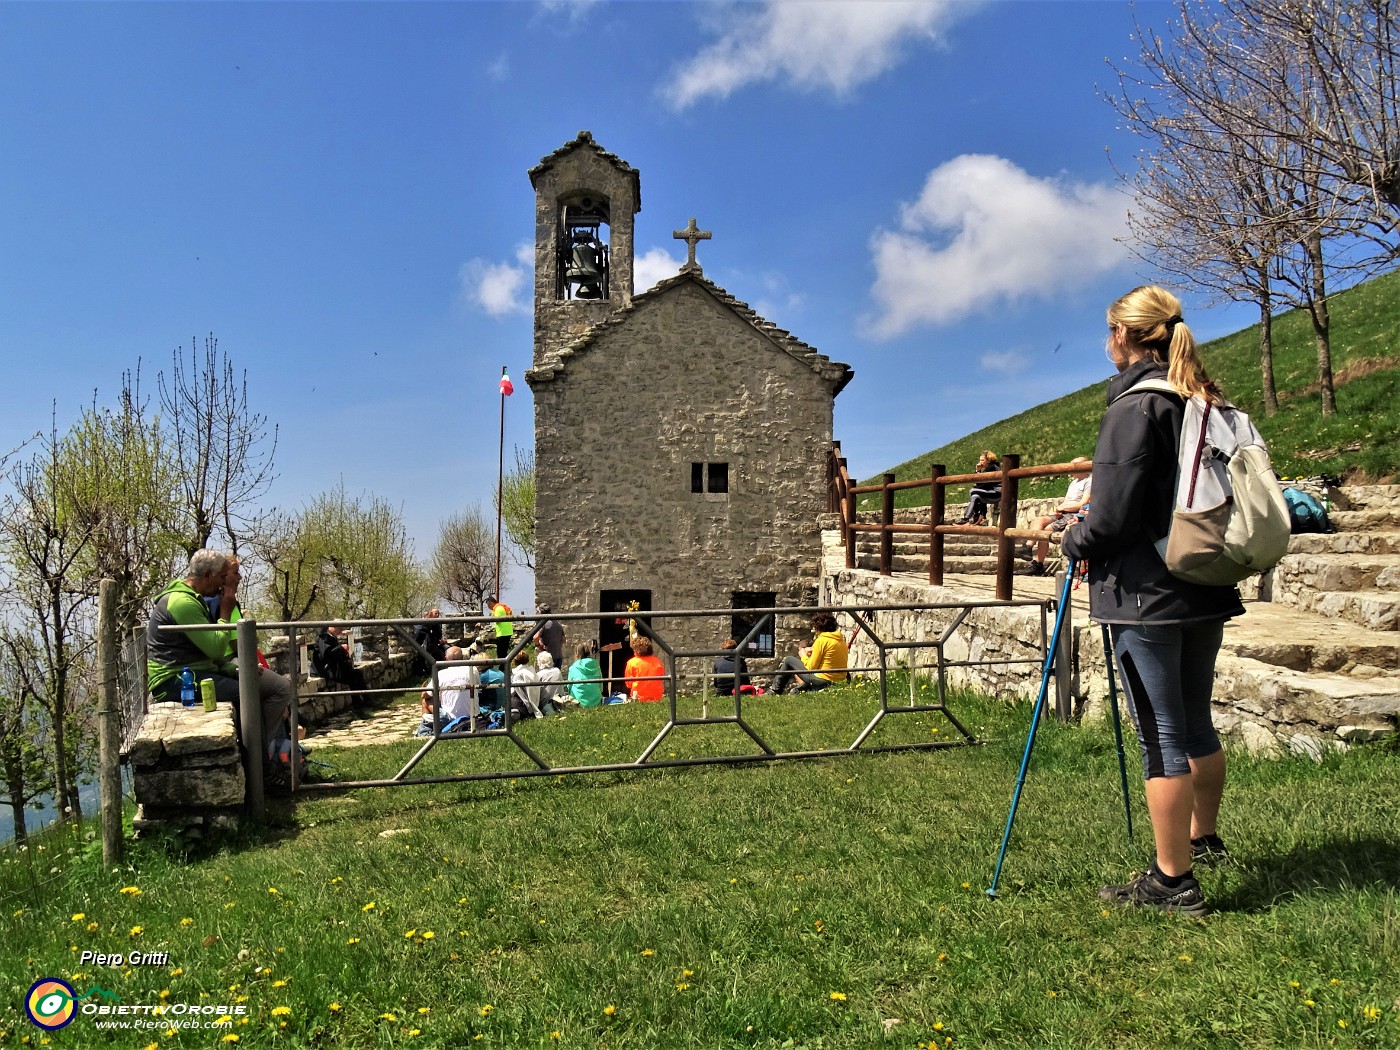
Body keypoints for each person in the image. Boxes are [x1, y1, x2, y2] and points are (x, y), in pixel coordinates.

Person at [1062, 285, 1244, 918]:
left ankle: (1173, 880)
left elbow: (1109, 522)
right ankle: (1202, 839)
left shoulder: (1134, 409)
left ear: (1124, 336)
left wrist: (1069, 536)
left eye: (1109, 332)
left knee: (1160, 734)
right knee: (1195, 719)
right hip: (1206, 578)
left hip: (1145, 592)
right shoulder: (1201, 398)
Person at [146, 549, 293, 755]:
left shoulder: (193, 598)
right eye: (222, 577)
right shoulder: (183, 602)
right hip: (173, 680)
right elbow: (215, 649)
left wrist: (232, 671)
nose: (224, 583)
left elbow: (204, 656)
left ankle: (259, 760)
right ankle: (260, 766)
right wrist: (225, 611)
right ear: (208, 575)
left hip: (191, 671)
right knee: (246, 694)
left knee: (254, 688)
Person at [1029, 457, 1092, 575]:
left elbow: (1083, 503)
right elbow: (1067, 500)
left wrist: (1063, 508)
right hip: (1064, 511)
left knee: (1046, 531)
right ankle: (1028, 547)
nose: (1070, 469)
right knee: (1039, 521)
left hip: (1074, 513)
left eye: (1074, 466)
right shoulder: (1073, 483)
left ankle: (1038, 563)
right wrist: (1059, 509)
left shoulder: (1089, 481)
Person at [768, 612, 848, 696]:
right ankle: (798, 691)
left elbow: (811, 667)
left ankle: (775, 691)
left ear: (818, 627)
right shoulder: (840, 640)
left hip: (823, 679)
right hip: (838, 680)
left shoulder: (821, 640)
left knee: (789, 660)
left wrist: (803, 656)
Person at [416, 646, 479, 736]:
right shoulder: (473, 669)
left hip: (451, 719)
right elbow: (478, 687)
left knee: (426, 701)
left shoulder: (441, 674)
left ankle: (425, 730)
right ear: (462, 658)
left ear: (445, 659)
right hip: (473, 716)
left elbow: (425, 695)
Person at [313, 623, 369, 703]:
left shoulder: (332, 637)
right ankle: (358, 703)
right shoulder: (324, 638)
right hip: (327, 670)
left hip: (334, 668)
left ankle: (366, 699)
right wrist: (341, 648)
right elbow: (327, 654)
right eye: (339, 627)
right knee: (352, 677)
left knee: (356, 674)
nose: (341, 630)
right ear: (332, 627)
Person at [960, 450, 1002, 525]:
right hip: (991, 492)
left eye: (982, 460)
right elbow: (981, 484)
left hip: (997, 494)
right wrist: (978, 471)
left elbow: (982, 484)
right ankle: (970, 518)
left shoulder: (991, 468)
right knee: (975, 496)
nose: (980, 462)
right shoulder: (990, 467)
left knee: (973, 491)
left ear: (988, 460)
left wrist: (978, 471)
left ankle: (973, 517)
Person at [623, 635, 667, 702]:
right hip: (656, 698)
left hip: (639, 698)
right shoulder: (657, 661)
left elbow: (628, 684)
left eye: (633, 650)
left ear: (636, 650)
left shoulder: (631, 662)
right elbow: (661, 678)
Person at [567, 640, 604, 708]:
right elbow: (601, 686)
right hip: (596, 702)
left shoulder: (573, 668)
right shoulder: (596, 665)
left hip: (579, 703)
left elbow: (569, 687)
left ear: (577, 653)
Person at [509, 649, 543, 719]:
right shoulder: (532, 670)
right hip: (536, 703)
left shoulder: (518, 674)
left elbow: (513, 691)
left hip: (526, 707)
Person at [411, 608, 447, 675]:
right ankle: (435, 671)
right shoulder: (422, 626)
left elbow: (434, 635)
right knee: (439, 654)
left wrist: (439, 641)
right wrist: (439, 641)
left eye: (438, 613)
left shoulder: (429, 624)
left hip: (430, 644)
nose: (437, 615)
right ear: (427, 616)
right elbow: (428, 636)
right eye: (434, 614)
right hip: (423, 646)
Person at [532, 603, 565, 669]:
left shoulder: (543, 624)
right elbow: (564, 640)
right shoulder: (558, 623)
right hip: (558, 656)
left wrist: (539, 645)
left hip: (547, 658)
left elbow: (535, 637)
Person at [486, 595, 514, 660]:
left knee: (501, 653)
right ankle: (504, 667)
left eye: (488, 605)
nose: (488, 607)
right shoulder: (501, 607)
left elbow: (497, 620)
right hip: (506, 632)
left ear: (491, 603)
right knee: (503, 652)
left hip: (502, 633)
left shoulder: (498, 609)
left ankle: (503, 668)